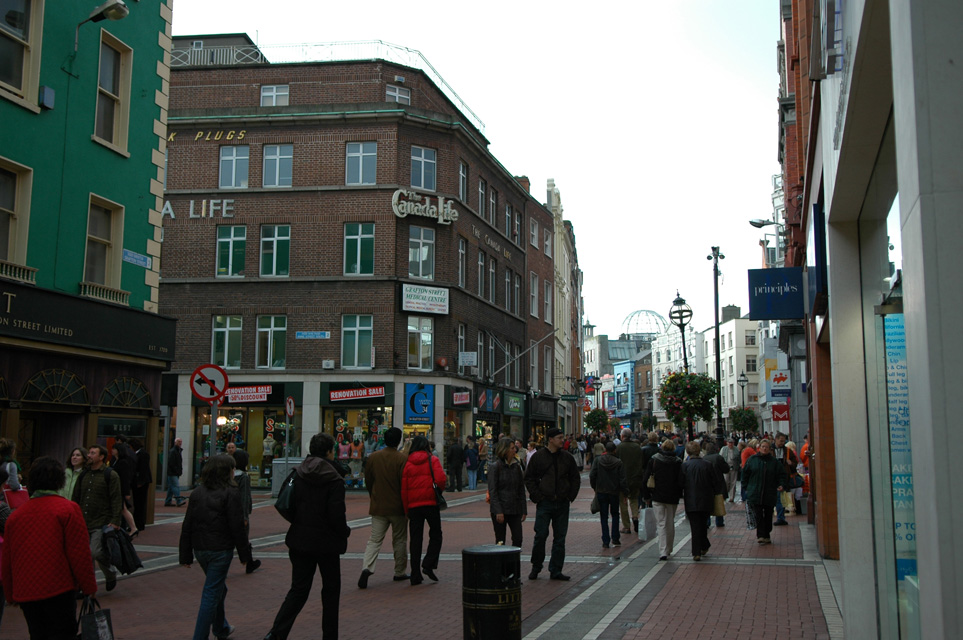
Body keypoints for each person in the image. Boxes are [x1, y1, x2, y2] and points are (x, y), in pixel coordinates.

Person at [263, 433, 350, 640]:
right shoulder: (334, 479)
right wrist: (343, 532)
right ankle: (330, 636)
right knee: (330, 592)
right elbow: (336, 515)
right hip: (327, 543)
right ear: (329, 452)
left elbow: (287, 503)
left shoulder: (298, 473)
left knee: (298, 590)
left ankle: (276, 633)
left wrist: (299, 522)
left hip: (300, 540)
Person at [3, 457, 98, 640]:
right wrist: (89, 586)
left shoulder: (15, 517)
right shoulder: (68, 509)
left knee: (37, 634)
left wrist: (10, 593)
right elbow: (79, 553)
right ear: (59, 481)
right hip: (59, 588)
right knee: (63, 633)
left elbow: (8, 559)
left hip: (26, 591)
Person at [180, 454, 251, 640]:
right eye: (232, 468)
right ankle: (200, 635)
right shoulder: (230, 492)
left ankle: (221, 628)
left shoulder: (197, 493)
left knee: (219, 588)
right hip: (220, 549)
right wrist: (245, 555)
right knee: (211, 592)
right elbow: (237, 526)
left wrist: (186, 554)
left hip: (201, 548)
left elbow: (187, 525)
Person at [524, 427, 581, 581]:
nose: (562, 440)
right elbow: (529, 478)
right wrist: (537, 496)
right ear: (550, 439)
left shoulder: (567, 457)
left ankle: (556, 569)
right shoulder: (539, 457)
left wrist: (570, 496)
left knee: (560, 538)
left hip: (562, 503)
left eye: (562, 437)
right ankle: (536, 566)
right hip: (545, 502)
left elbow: (575, 478)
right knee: (541, 535)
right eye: (559, 438)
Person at [358, 426, 410, 588]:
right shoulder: (402, 459)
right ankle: (399, 571)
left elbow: (369, 479)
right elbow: (405, 484)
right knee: (400, 539)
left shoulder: (374, 457)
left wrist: (373, 495)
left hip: (378, 505)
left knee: (374, 539)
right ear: (398, 440)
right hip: (398, 507)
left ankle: (367, 567)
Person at [73, 444, 123, 592]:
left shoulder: (110, 475)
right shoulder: (84, 474)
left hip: (101, 522)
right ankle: (85, 586)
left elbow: (116, 499)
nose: (89, 455)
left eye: (93, 453)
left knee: (94, 552)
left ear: (101, 457)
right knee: (83, 556)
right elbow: (76, 497)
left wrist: (115, 521)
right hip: (83, 521)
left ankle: (109, 573)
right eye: (89, 453)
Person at [400, 436, 446, 585]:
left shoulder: (408, 463)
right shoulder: (432, 460)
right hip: (430, 503)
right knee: (436, 534)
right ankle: (428, 563)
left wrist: (406, 508)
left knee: (415, 539)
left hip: (414, 506)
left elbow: (404, 489)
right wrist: (437, 491)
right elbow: (441, 479)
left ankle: (415, 573)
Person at [679, 441, 725, 561]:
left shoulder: (685, 466)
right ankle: (703, 546)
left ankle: (697, 551)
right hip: (706, 498)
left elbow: (681, 483)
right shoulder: (707, 465)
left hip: (691, 499)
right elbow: (715, 481)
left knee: (695, 526)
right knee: (703, 524)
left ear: (688, 452)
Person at [642, 439, 684, 560]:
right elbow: (681, 480)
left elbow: (645, 479)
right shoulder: (677, 462)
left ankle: (663, 550)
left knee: (661, 523)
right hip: (672, 496)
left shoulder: (654, 460)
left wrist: (646, 496)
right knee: (670, 522)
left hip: (657, 495)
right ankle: (669, 548)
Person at [741, 439, 788, 544]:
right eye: (763, 446)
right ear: (759, 447)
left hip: (769, 493)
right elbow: (745, 474)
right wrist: (746, 487)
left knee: (768, 514)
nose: (764, 449)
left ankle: (767, 534)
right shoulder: (752, 460)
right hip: (755, 492)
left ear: (770, 449)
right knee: (758, 514)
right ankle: (761, 535)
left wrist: (781, 485)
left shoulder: (774, 462)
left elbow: (782, 475)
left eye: (767, 447)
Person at [488, 436, 527, 547]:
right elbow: (493, 491)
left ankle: (513, 562)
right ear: (504, 450)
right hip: (501, 509)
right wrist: (498, 511)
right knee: (500, 541)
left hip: (515, 509)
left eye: (514, 448)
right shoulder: (495, 467)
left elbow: (521, 489)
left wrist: (523, 509)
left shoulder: (516, 466)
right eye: (512, 448)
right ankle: (501, 563)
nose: (515, 450)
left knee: (518, 538)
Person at [591, 442, 629, 548]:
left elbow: (592, 475)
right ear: (614, 450)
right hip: (614, 492)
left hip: (602, 491)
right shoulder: (618, 462)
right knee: (615, 514)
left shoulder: (598, 461)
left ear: (605, 450)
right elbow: (622, 479)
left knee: (604, 516)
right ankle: (615, 538)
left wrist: (595, 487)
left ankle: (605, 540)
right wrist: (625, 492)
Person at [232, 449, 262, 574]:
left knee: (238, 539)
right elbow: (244, 497)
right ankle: (248, 562)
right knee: (243, 538)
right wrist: (245, 516)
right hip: (240, 513)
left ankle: (248, 561)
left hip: (232, 511)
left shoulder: (231, 475)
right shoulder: (243, 477)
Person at [615, 428, 645, 533]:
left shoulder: (619, 448)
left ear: (622, 436)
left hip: (623, 479)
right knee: (634, 500)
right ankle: (635, 517)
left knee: (623, 503)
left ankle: (627, 526)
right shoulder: (637, 447)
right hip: (635, 478)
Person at [110, 442, 138, 535]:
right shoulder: (116, 461)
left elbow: (125, 478)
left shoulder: (123, 462)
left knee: (123, 508)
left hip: (120, 489)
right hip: (118, 488)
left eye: (114, 449)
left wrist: (126, 492)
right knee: (123, 508)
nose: (112, 450)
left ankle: (133, 527)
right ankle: (132, 527)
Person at [772, 433, 798, 525]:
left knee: (781, 498)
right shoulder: (770, 450)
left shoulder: (787, 451)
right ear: (776, 439)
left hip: (783, 478)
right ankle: (779, 517)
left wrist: (791, 463)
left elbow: (795, 462)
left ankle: (780, 518)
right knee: (775, 498)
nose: (782, 443)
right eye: (781, 441)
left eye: (784, 441)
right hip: (771, 478)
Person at [703, 443, 730, 527]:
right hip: (718, 483)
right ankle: (719, 521)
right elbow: (726, 469)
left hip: (707, 485)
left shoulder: (703, 459)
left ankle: (707, 522)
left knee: (707, 504)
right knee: (719, 503)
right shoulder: (718, 458)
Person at [130, 438, 153, 532]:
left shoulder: (143, 454)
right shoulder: (139, 454)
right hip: (138, 481)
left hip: (141, 482)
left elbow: (144, 469)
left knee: (140, 503)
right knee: (137, 503)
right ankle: (137, 523)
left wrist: (140, 482)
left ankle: (139, 523)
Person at [166, 437, 187, 506]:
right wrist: (177, 470)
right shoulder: (174, 451)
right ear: (175, 442)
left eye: (180, 441)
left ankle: (168, 501)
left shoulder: (177, 451)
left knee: (171, 487)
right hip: (173, 472)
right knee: (175, 486)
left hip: (174, 472)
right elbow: (171, 463)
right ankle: (178, 500)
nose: (180, 443)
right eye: (178, 441)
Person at [721, 437, 740, 502]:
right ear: (727, 443)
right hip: (726, 467)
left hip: (734, 467)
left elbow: (738, 458)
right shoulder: (724, 449)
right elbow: (721, 457)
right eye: (729, 443)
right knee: (726, 481)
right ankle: (726, 495)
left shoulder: (736, 449)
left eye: (732, 443)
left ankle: (732, 497)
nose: (730, 444)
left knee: (733, 482)